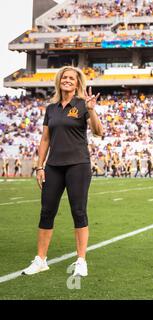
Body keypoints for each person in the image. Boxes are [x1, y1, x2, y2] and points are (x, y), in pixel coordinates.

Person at [22, 66, 103, 277]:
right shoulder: (51, 108)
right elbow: (45, 139)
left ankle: (81, 260)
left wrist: (92, 110)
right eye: (64, 77)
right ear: (59, 81)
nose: (67, 80)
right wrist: (40, 166)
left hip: (78, 165)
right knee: (46, 211)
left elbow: (98, 131)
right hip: (53, 166)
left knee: (78, 211)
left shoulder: (83, 104)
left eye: (71, 79)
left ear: (77, 84)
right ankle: (41, 260)